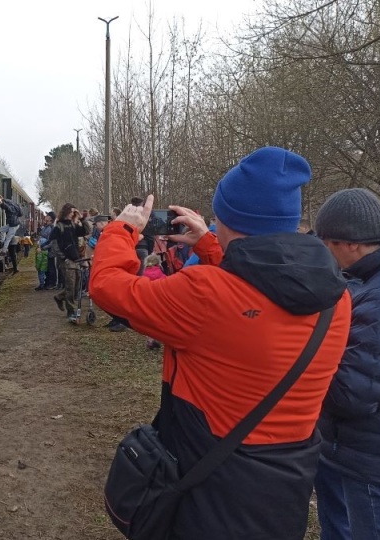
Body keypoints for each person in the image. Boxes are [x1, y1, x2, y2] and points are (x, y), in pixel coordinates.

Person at [89, 146, 352, 539]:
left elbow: (109, 288)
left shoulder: (205, 293)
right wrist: (212, 245)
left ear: (227, 217)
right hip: (286, 484)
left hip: (208, 484)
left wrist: (121, 230)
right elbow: (253, 295)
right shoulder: (338, 299)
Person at [313, 188, 380, 540]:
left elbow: (353, 395)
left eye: (327, 242)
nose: (326, 252)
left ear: (351, 244)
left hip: (378, 456)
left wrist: (303, 367)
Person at [49, 203, 88, 323]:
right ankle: (71, 310)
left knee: (76, 286)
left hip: (75, 258)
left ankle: (60, 297)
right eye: (71, 212)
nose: (72, 214)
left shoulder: (72, 225)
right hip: (66, 260)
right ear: (66, 212)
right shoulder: (59, 226)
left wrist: (81, 218)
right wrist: (62, 257)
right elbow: (54, 243)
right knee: (70, 285)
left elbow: (85, 231)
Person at [141, 254, 167, 349]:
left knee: (149, 322)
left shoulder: (144, 276)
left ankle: (150, 340)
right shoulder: (162, 276)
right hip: (159, 302)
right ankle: (158, 338)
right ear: (158, 263)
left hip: (148, 302)